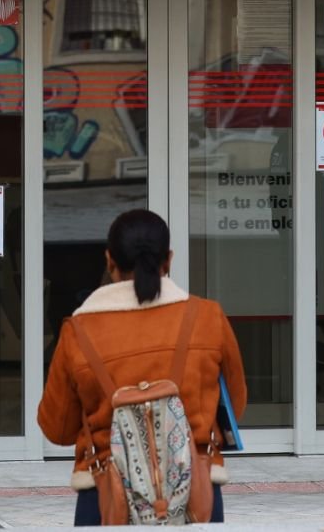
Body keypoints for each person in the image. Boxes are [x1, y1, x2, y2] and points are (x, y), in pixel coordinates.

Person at [37, 209, 247, 525]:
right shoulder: (207, 318)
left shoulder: (78, 331)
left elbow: (58, 429)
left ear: (109, 261)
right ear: (169, 259)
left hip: (105, 498)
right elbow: (236, 406)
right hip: (196, 493)